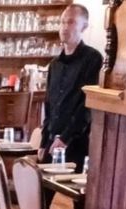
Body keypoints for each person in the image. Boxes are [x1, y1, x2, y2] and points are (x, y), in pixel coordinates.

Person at [40, 4, 102, 170]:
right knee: (41, 193)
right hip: (52, 142)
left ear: (84, 26)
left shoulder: (92, 59)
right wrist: (44, 141)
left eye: (71, 22)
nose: (64, 28)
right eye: (62, 22)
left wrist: (65, 139)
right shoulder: (54, 64)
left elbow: (87, 105)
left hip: (76, 143)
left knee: (71, 193)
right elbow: (49, 105)